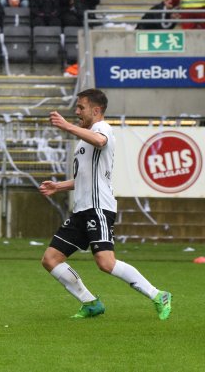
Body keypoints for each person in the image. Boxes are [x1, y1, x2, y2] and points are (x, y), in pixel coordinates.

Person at [39, 89, 172, 321]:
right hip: (82, 209)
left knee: (105, 262)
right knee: (50, 259)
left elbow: (101, 141)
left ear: (96, 110)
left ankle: (158, 295)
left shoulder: (102, 129)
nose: (77, 111)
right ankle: (90, 303)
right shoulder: (84, 139)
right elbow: (86, 178)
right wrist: (58, 187)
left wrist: (67, 126)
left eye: (81, 107)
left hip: (98, 207)